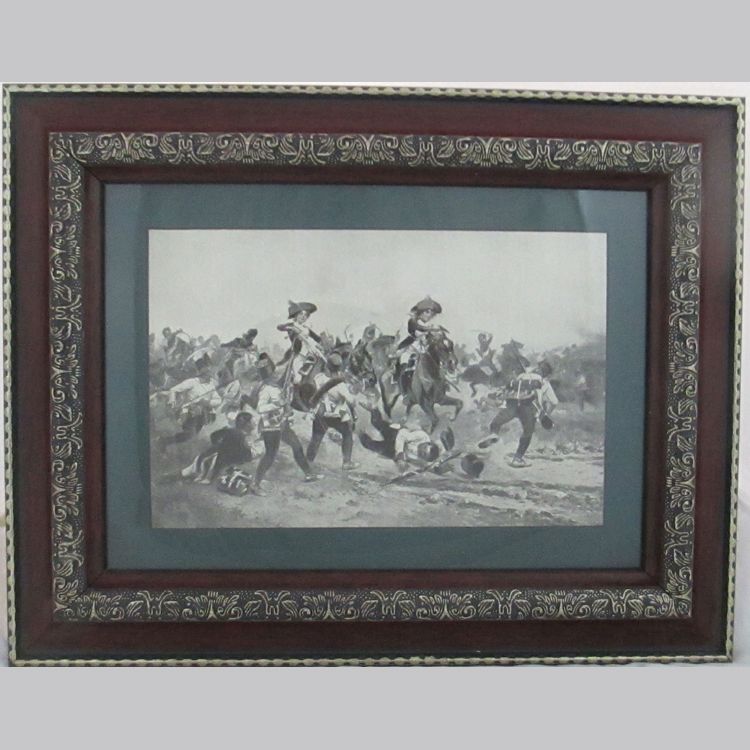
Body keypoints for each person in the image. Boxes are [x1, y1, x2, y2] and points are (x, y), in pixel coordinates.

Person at [249, 354, 322, 495]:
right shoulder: (266, 390)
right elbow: (260, 408)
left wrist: (285, 409)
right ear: (267, 376)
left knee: (297, 446)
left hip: (281, 425)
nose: (275, 375)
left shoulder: (276, 387)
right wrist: (279, 404)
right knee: (270, 455)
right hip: (270, 427)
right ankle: (255, 484)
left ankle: (309, 474)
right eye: (272, 374)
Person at [479, 360, 559, 468]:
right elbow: (554, 402)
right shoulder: (544, 382)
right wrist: (545, 413)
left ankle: (493, 433)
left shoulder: (522, 376)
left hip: (512, 403)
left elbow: (511, 389)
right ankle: (517, 459)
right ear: (546, 374)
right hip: (527, 406)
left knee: (497, 421)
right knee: (528, 432)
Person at [306, 352, 359, 470]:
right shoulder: (340, 385)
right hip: (336, 414)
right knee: (347, 434)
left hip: (320, 412)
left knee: (316, 438)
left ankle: (308, 463)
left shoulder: (318, 378)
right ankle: (347, 462)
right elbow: (351, 402)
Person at [158, 359, 221, 450]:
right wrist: (172, 403)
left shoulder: (211, 385)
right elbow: (173, 390)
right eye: (209, 370)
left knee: (191, 436)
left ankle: (164, 442)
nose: (212, 372)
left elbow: (218, 400)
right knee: (189, 434)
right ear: (203, 371)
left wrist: (207, 402)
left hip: (202, 414)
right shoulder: (192, 381)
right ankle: (163, 441)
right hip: (189, 413)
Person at [359, 406, 444, 473]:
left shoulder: (422, 460)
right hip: (395, 435)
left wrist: (438, 469)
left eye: (423, 454)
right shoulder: (422, 436)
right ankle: (374, 410)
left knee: (368, 444)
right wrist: (400, 456)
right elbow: (402, 435)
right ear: (427, 442)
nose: (421, 450)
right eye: (424, 447)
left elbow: (426, 466)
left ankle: (358, 431)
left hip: (393, 451)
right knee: (376, 422)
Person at [181, 411, 255, 484]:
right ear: (246, 424)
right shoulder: (239, 435)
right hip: (214, 461)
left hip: (211, 457)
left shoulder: (234, 432)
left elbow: (214, 435)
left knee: (188, 471)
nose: (255, 423)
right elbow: (242, 455)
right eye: (252, 422)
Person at [395, 297, 446, 393]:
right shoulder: (412, 320)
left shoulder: (426, 323)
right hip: (408, 347)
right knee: (406, 364)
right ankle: (405, 391)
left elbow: (427, 337)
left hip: (421, 348)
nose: (430, 315)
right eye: (428, 312)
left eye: (433, 313)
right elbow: (419, 329)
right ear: (421, 312)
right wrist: (432, 329)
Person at [276, 301, 326, 382]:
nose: (303, 316)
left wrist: (321, 341)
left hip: (311, 348)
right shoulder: (293, 325)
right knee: (297, 378)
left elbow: (317, 338)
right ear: (296, 315)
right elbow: (279, 327)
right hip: (299, 351)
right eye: (301, 314)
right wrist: (290, 328)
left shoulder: (306, 328)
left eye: (306, 315)